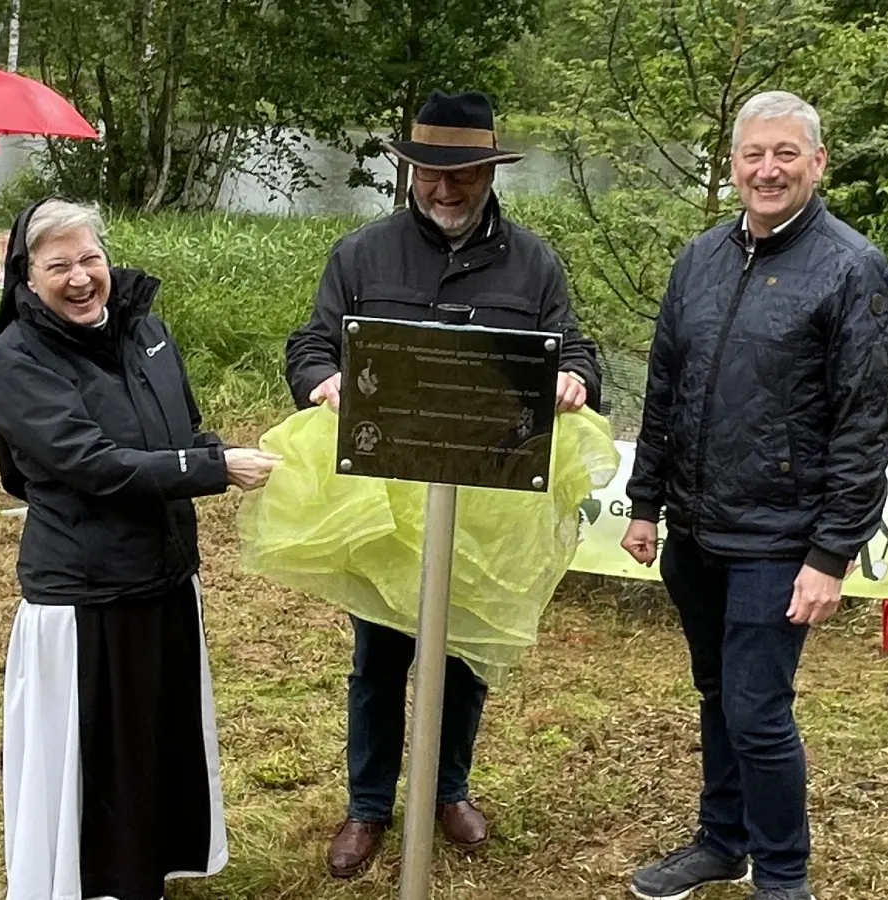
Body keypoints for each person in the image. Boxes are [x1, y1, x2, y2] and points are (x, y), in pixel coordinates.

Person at [285, 88, 603, 879]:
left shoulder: (534, 263)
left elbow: (581, 351)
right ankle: (367, 806)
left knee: (466, 653)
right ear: (411, 174)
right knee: (378, 660)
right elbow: (311, 343)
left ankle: (448, 788)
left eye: (464, 176)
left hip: (486, 502)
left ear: (491, 172)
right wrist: (322, 381)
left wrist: (572, 377)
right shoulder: (361, 254)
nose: (446, 189)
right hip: (383, 503)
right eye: (431, 173)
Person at [619, 91, 888, 900]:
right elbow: (665, 388)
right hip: (698, 528)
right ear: (733, 165)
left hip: (783, 539)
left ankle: (783, 877)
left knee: (756, 709)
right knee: (718, 693)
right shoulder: (700, 260)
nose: (767, 170)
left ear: (816, 163)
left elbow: (865, 422)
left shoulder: (852, 269)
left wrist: (830, 553)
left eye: (786, 154)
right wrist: (645, 503)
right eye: (753, 155)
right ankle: (723, 839)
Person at [0, 198, 280, 900]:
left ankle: (143, 875)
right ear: (26, 278)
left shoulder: (148, 332)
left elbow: (184, 429)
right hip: (86, 597)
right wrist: (213, 469)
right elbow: (94, 465)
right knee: (97, 759)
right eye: (59, 266)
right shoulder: (17, 361)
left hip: (165, 577)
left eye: (91, 259)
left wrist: (234, 454)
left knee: (152, 747)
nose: (81, 278)